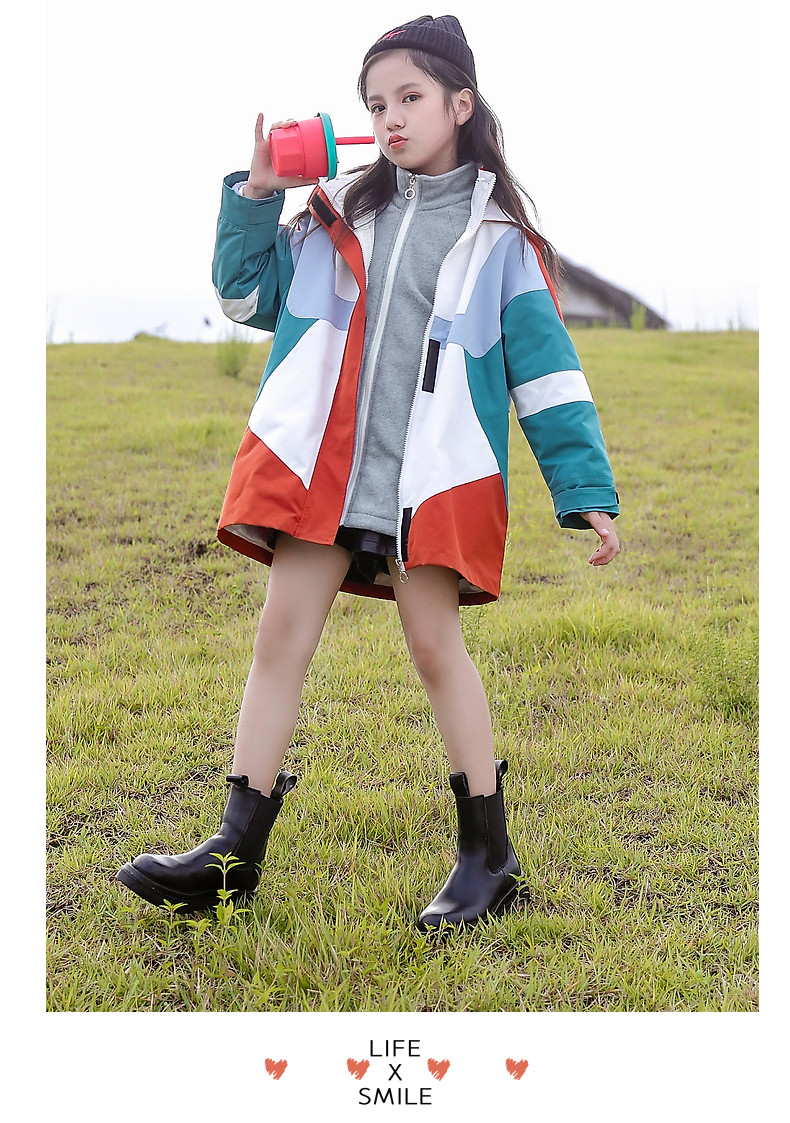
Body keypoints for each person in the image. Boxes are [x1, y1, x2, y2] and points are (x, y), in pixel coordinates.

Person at [117, 14, 620, 931]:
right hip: (325, 473)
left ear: (461, 105)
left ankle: (489, 857)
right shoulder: (334, 212)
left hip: (432, 479)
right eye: (375, 103)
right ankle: (233, 852)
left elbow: (547, 374)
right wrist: (256, 195)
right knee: (279, 639)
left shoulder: (501, 239)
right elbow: (243, 297)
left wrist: (583, 489)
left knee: (435, 649)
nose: (389, 118)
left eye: (409, 97)